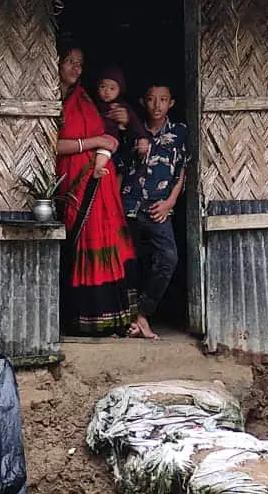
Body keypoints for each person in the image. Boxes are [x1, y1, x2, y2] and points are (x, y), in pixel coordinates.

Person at [54, 46, 136, 336]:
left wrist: (114, 135)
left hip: (99, 180)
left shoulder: (85, 98)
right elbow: (52, 144)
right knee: (80, 243)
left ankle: (112, 317)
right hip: (74, 181)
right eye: (70, 62)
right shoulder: (52, 100)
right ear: (57, 62)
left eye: (80, 64)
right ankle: (82, 318)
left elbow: (110, 131)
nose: (76, 69)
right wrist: (95, 142)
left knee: (104, 239)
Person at [118, 82, 188, 340]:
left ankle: (144, 313)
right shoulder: (132, 131)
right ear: (142, 102)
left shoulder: (179, 132)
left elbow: (181, 172)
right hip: (129, 205)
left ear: (171, 103)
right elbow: (120, 168)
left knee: (168, 258)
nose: (157, 105)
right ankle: (129, 321)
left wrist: (170, 203)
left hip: (159, 209)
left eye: (163, 99)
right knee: (129, 264)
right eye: (151, 99)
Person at [92, 65, 150, 180]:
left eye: (112, 88)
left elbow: (135, 124)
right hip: (93, 138)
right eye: (103, 86)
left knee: (105, 151)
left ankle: (98, 168)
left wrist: (142, 138)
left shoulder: (121, 107)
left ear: (120, 90)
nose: (107, 91)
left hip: (109, 139)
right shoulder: (92, 104)